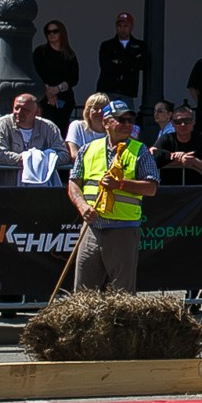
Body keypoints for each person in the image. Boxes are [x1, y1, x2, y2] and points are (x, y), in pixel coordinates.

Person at [65, 98, 159, 291]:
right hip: (92, 227)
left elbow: (151, 188)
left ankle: (121, 323)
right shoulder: (88, 149)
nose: (126, 125)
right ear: (106, 122)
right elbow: (74, 184)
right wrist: (82, 207)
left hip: (123, 228)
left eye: (129, 120)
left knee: (121, 293)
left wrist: (120, 184)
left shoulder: (139, 150)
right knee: (83, 292)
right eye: (120, 120)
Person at [0, 91, 70, 185]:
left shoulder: (49, 127)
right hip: (8, 186)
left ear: (37, 112)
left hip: (39, 189)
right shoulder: (2, 124)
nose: (19, 112)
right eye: (16, 108)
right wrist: (29, 159)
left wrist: (44, 160)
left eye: (25, 110)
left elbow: (64, 155)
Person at [151, 100, 202, 186]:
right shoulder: (166, 138)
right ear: (173, 124)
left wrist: (193, 161)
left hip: (197, 189)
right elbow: (151, 155)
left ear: (193, 122)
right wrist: (176, 157)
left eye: (187, 121)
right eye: (178, 122)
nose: (183, 124)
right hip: (168, 188)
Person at [96, 11, 150, 107]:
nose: (122, 29)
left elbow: (142, 65)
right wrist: (130, 61)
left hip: (127, 91)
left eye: (126, 26)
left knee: (126, 119)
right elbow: (106, 66)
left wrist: (119, 61)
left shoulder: (140, 45)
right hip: (108, 90)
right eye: (120, 26)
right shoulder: (107, 45)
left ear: (131, 27)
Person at [32, 19, 80, 126]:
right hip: (44, 98)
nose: (51, 34)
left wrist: (57, 89)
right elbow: (36, 73)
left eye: (55, 31)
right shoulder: (40, 52)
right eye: (48, 32)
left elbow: (74, 78)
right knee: (45, 128)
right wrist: (49, 93)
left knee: (62, 130)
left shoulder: (69, 54)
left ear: (61, 32)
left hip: (64, 99)